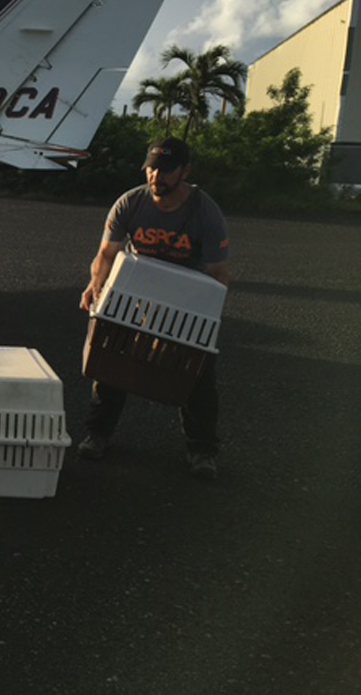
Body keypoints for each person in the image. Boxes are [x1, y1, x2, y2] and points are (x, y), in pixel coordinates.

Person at [78, 136, 231, 480]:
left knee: (198, 376)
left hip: (184, 303)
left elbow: (219, 274)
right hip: (134, 294)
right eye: (151, 168)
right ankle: (98, 434)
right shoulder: (130, 203)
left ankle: (202, 451)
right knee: (110, 364)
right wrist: (94, 286)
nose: (155, 177)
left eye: (165, 170)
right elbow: (106, 254)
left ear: (185, 171)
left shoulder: (204, 211)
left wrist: (205, 320)